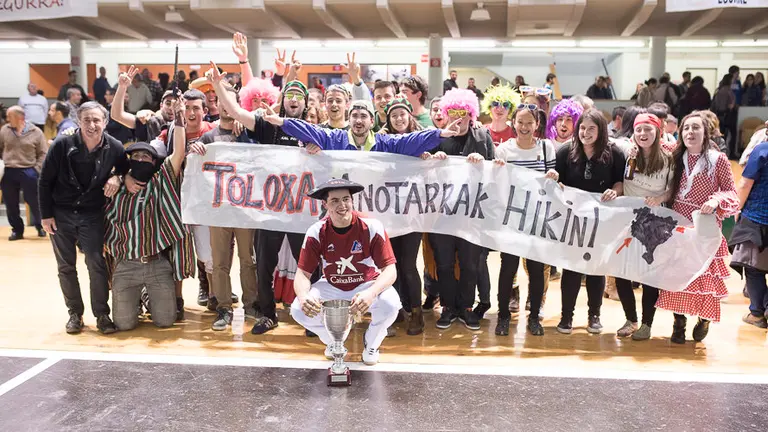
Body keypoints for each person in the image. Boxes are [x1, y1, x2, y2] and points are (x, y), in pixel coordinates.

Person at [38, 101, 129, 334]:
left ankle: (102, 315)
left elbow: (124, 168)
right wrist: (46, 215)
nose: (92, 125)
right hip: (61, 212)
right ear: (78, 121)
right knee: (65, 266)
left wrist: (117, 177)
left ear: (105, 122)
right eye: (86, 120)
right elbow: (45, 181)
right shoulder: (62, 144)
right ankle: (75, 314)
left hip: (91, 213)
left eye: (96, 120)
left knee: (96, 263)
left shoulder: (115, 147)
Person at [290, 178, 400, 365]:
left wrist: (371, 293)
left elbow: (390, 270)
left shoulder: (372, 226)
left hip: (367, 284)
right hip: (331, 285)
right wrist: (303, 296)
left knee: (391, 304)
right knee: (298, 310)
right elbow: (302, 274)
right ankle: (333, 341)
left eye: (346, 199)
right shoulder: (316, 231)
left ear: (352, 201)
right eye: (334, 201)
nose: (342, 205)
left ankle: (372, 342)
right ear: (325, 205)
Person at [105, 95, 188, 331]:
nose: (141, 159)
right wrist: (119, 176)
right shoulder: (116, 186)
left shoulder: (160, 182)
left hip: (156, 264)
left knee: (165, 321)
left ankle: (148, 295)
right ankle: (139, 297)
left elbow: (178, 153)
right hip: (126, 265)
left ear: (154, 163)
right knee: (124, 324)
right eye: (136, 157)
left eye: (146, 157)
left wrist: (179, 116)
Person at [656, 112, 740, 343]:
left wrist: (715, 200)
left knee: (703, 276)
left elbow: (731, 191)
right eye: (686, 128)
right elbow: (650, 144)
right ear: (680, 133)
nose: (690, 132)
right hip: (678, 223)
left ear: (706, 132)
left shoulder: (717, 159)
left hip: (704, 225)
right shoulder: (675, 154)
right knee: (677, 274)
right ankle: (679, 321)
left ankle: (704, 318)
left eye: (696, 128)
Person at [422, 88, 494, 331]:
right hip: (442, 215)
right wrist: (434, 161)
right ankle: (448, 307)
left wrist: (483, 164)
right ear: (447, 113)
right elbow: (423, 172)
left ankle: (466, 308)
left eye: (463, 112)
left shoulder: (483, 137)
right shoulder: (438, 138)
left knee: (470, 264)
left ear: (471, 113)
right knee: (443, 264)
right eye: (453, 112)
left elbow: (496, 173)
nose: (458, 117)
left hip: (472, 215)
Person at [188, 84, 257, 328]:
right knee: (219, 263)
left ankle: (251, 305)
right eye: (223, 101)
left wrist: (246, 133)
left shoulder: (248, 132)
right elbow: (194, 166)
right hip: (218, 211)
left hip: (245, 210)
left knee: (248, 260)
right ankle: (224, 308)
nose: (227, 106)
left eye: (232, 101)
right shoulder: (208, 137)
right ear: (217, 104)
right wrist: (193, 149)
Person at [554, 109, 625, 334]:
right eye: (582, 128)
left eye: (591, 128)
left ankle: (594, 315)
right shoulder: (565, 151)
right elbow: (557, 181)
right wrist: (559, 186)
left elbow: (620, 182)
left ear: (601, 130)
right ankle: (566, 316)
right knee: (571, 268)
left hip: (601, 220)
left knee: (596, 268)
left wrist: (615, 191)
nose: (586, 133)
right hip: (572, 220)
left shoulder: (614, 153)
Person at [492, 104, 558, 336]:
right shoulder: (504, 150)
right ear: (513, 123)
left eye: (530, 122)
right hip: (511, 218)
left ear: (537, 124)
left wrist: (553, 177)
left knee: (537, 269)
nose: (524, 127)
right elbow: (497, 185)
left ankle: (534, 317)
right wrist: (497, 171)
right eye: (520, 122)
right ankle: (503, 316)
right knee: (508, 268)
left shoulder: (546, 148)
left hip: (537, 218)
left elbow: (553, 184)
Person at [614, 114, 673, 340]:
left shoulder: (668, 158)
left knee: (649, 275)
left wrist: (660, 199)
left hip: (654, 222)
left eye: (648, 129)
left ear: (658, 131)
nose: (643, 134)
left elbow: (672, 188)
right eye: (639, 129)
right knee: (621, 272)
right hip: (627, 218)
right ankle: (631, 320)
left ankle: (647, 324)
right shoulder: (627, 153)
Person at [731, 140, 768, 328]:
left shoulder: (763, 150)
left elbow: (745, 184)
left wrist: (737, 209)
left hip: (757, 218)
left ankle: (757, 313)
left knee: (753, 269)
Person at [0, 106, 47, 240]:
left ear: (20, 117)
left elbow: (43, 153)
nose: (7, 119)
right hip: (9, 169)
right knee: (10, 203)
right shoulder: (4, 130)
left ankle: (40, 225)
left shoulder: (35, 131)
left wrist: (36, 169)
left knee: (34, 201)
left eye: (9, 116)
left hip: (29, 169)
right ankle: (17, 230)